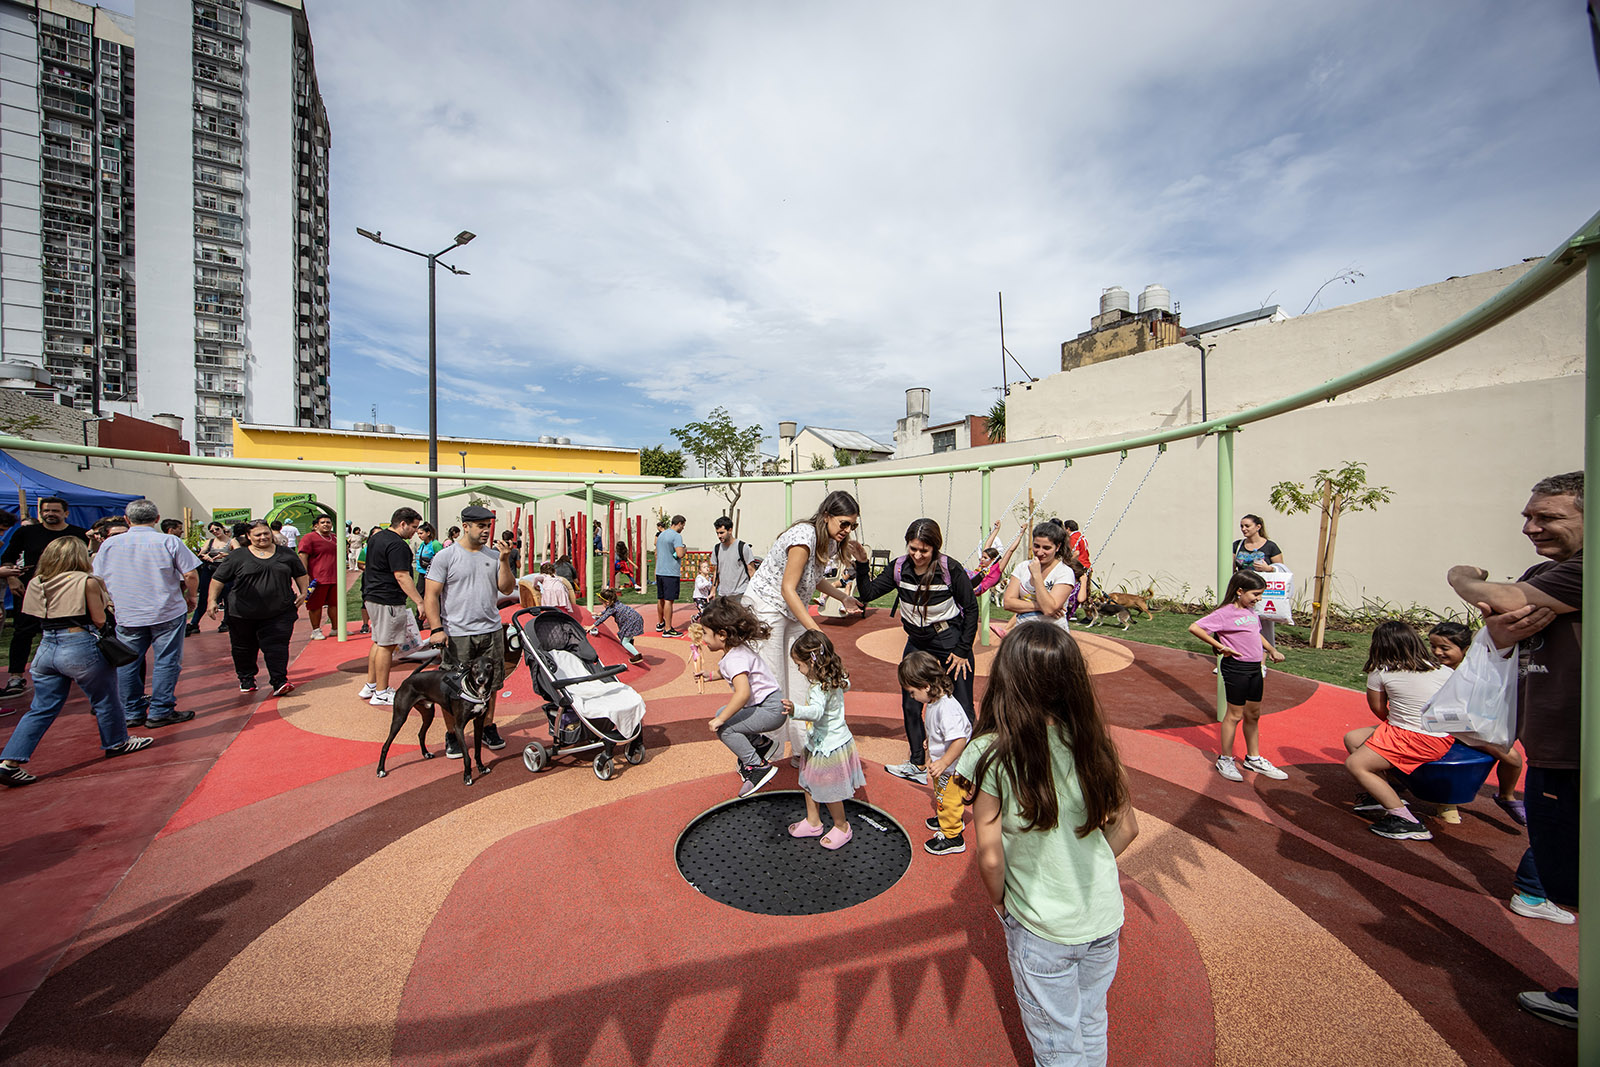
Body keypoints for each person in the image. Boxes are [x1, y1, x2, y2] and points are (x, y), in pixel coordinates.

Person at [955, 621, 1139, 1067]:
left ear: (1005, 678)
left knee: (1056, 1042)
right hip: (1102, 916)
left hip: (1041, 927)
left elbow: (990, 852)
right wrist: (1088, 863)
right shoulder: (1093, 742)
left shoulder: (988, 751)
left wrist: (1000, 902)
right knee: (1091, 1019)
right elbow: (1127, 827)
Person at [1446, 471, 1583, 1029]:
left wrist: (1461, 577)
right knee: (1567, 879)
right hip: (1550, 745)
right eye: (1528, 516)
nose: (1531, 527)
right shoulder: (1548, 575)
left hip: (1583, 747)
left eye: (1547, 517)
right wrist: (1501, 610)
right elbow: (1502, 628)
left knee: (1576, 877)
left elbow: (1496, 599)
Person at [0, 537, 155, 785]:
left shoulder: (37, 582)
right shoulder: (87, 581)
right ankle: (117, 741)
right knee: (105, 698)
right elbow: (99, 619)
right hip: (78, 643)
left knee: (41, 708)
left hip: (46, 647)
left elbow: (32, 616)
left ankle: (10, 760)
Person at [853, 518, 978, 786]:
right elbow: (868, 593)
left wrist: (962, 650)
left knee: (963, 705)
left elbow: (971, 609)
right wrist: (863, 563)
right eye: (913, 549)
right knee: (911, 703)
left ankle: (966, 769)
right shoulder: (900, 567)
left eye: (924, 551)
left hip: (949, 640)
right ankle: (917, 763)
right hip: (917, 642)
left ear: (935, 548)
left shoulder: (949, 569)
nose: (918, 555)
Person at [741, 491, 865, 760]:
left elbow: (813, 577)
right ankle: (767, 752)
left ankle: (802, 747)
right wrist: (815, 629)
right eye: (844, 523)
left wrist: (843, 596)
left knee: (804, 675)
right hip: (767, 606)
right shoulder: (803, 537)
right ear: (826, 516)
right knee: (772, 679)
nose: (847, 530)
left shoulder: (829, 541)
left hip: (789, 607)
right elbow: (788, 587)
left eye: (852, 525)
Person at [1340, 620, 1454, 841]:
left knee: (1356, 764)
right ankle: (1381, 792)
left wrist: (1395, 728)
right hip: (1440, 735)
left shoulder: (1381, 671)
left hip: (1412, 735)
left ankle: (1405, 819)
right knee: (1353, 738)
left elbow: (1379, 709)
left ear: (1379, 646)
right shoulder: (1443, 670)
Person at [93, 499, 201, 729]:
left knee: (128, 662)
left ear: (127, 519)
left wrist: (112, 598)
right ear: (157, 519)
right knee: (167, 661)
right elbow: (190, 574)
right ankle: (161, 710)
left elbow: (99, 578)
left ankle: (131, 711)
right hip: (167, 611)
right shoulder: (168, 541)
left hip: (129, 613)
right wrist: (192, 597)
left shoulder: (110, 544)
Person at [424, 505, 516, 758]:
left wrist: (504, 560)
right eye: (481, 526)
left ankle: (487, 726)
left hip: (490, 630)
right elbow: (431, 595)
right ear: (465, 526)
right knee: (453, 686)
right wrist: (436, 629)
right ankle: (453, 733)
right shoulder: (446, 556)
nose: (486, 531)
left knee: (492, 684)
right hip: (457, 633)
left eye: (489, 525)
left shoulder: (492, 555)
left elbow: (507, 589)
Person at [1188, 570, 1288, 783]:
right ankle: (1225, 758)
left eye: (1261, 594)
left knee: (1254, 714)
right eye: (1256, 594)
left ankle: (1253, 758)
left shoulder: (1250, 611)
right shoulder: (1225, 612)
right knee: (1234, 715)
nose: (1259, 599)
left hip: (1254, 669)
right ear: (1240, 591)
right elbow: (1195, 627)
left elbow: (1255, 634)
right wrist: (1221, 646)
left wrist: (1271, 650)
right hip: (1236, 668)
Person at [1426, 621, 1526, 827]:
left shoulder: (1475, 672)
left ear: (1465, 649)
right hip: (1442, 727)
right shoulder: (1431, 671)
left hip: (1466, 727)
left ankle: (1506, 796)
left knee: (1514, 759)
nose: (1437, 652)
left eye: (1444, 648)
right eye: (1433, 646)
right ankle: (1445, 802)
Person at [780, 630, 864, 849]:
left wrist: (794, 709)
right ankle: (813, 821)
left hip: (829, 746)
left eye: (799, 665)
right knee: (807, 780)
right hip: (818, 742)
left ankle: (842, 826)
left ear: (812, 662)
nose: (799, 670)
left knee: (830, 790)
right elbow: (847, 683)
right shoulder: (834, 678)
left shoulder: (819, 687)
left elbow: (816, 712)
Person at [207, 520, 308, 696]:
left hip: (279, 612)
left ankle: (279, 681)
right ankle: (246, 679)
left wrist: (303, 592)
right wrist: (212, 600)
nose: (263, 537)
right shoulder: (238, 556)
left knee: (277, 646)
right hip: (242, 613)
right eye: (258, 535)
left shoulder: (286, 554)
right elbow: (218, 579)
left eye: (266, 533)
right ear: (248, 536)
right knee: (244, 648)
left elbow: (301, 574)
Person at [1, 497, 88, 697]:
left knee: (73, 632)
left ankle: (75, 670)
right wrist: (13, 579)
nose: (50, 514)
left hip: (69, 593)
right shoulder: (26, 532)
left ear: (66, 513)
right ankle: (16, 676)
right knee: (23, 632)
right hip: (34, 590)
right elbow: (8, 557)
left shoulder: (77, 534)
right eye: (46, 510)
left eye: (55, 510)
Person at [701, 597, 785, 798]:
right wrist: (712, 676)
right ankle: (761, 744)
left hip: (769, 710)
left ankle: (758, 767)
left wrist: (720, 720)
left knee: (725, 727)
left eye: (705, 633)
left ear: (721, 635)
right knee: (724, 713)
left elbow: (743, 693)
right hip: (772, 705)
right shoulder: (736, 650)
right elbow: (737, 672)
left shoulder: (734, 658)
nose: (703, 639)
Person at [899, 650, 971, 855]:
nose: (912, 697)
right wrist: (929, 741)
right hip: (946, 765)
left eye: (912, 692)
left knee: (949, 797)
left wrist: (944, 762)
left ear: (926, 686)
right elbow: (937, 730)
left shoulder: (946, 708)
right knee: (943, 794)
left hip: (954, 768)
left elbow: (959, 739)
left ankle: (953, 835)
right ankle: (947, 817)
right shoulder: (933, 701)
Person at [360, 508, 427, 707]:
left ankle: (372, 685)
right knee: (386, 645)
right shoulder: (398, 545)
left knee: (379, 641)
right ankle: (380, 691)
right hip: (387, 599)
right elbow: (402, 576)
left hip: (373, 596)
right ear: (403, 524)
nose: (415, 531)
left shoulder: (377, 537)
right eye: (414, 527)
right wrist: (419, 601)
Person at [1001, 521, 1076, 631]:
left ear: (1057, 547)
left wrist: (1036, 575)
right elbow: (1008, 603)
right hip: (1023, 631)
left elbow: (1049, 610)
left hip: (1053, 633)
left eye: (1046, 548)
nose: (1040, 552)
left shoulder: (1064, 572)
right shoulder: (1022, 567)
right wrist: (1040, 606)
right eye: (1036, 546)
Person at [1232, 514, 1285, 646]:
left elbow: (1281, 569)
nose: (1244, 529)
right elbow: (1231, 568)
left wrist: (1268, 568)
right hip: (1242, 590)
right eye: (1241, 526)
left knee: (1264, 626)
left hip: (1262, 591)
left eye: (1247, 526)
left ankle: (1262, 663)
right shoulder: (1237, 545)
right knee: (1240, 622)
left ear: (1258, 527)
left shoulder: (1270, 546)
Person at [297, 514, 340, 640]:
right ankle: (316, 630)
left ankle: (336, 628)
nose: (326, 524)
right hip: (317, 578)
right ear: (316, 526)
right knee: (315, 605)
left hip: (335, 577)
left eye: (328, 522)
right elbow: (303, 555)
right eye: (323, 522)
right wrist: (305, 574)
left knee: (335, 604)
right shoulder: (309, 538)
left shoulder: (335, 537)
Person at [191, 521, 234, 635]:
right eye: (212, 531)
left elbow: (239, 554)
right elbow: (201, 553)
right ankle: (194, 622)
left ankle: (226, 621)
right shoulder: (210, 542)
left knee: (227, 596)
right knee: (205, 596)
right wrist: (205, 556)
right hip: (210, 570)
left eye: (217, 529)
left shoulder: (232, 541)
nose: (215, 532)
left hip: (226, 571)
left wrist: (225, 555)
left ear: (222, 528)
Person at [588, 587, 645, 663]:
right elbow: (607, 610)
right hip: (636, 618)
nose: (603, 605)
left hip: (631, 622)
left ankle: (637, 656)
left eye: (602, 603)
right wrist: (600, 613)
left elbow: (603, 618)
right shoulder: (616, 603)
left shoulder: (613, 608)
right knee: (627, 635)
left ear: (607, 602)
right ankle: (630, 644)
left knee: (624, 642)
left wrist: (592, 626)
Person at [654, 515, 687, 636]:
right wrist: (684, 549)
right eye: (683, 525)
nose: (683, 528)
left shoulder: (661, 534)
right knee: (669, 600)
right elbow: (679, 554)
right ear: (679, 523)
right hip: (670, 572)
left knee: (661, 598)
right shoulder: (677, 536)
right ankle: (667, 629)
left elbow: (657, 551)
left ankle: (660, 622)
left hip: (660, 570)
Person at [970, 520, 1022, 597]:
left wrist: (1020, 534)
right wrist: (996, 529)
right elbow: (988, 544)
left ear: (993, 559)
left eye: (985, 558)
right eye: (982, 557)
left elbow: (1010, 551)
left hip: (978, 587)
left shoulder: (997, 568)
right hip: (971, 579)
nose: (982, 559)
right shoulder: (983, 565)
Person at [712, 516, 758, 599]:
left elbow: (751, 571)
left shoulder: (743, 547)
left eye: (722, 533)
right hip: (723, 595)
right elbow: (716, 571)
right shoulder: (717, 549)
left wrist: (755, 592)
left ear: (730, 530)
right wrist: (713, 590)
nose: (719, 536)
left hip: (741, 593)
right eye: (717, 533)